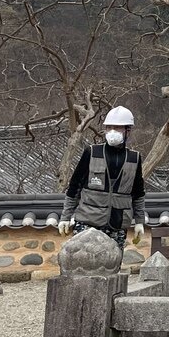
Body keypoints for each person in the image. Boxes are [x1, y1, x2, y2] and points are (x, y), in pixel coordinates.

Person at [58, 105, 147, 250]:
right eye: (109, 127)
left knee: (112, 266)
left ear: (127, 131)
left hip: (117, 224)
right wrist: (65, 217)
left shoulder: (134, 158)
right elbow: (74, 186)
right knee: (83, 263)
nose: (112, 131)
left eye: (117, 128)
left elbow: (138, 193)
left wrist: (139, 222)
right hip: (88, 223)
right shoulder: (92, 152)